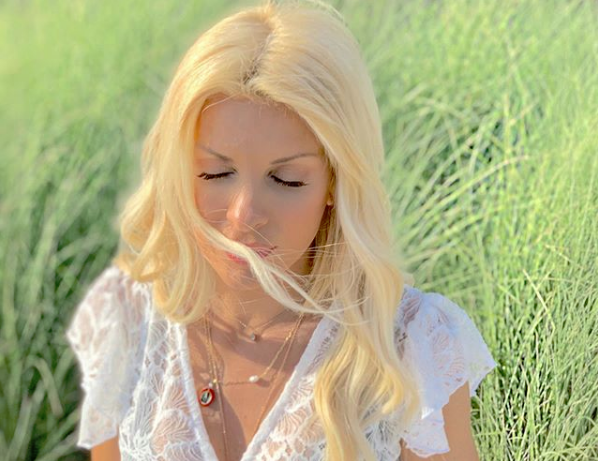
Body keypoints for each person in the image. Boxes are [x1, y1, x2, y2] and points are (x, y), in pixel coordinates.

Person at [65, 0, 497, 460]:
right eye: (215, 173)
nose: (244, 215)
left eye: (286, 180)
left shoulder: (412, 348)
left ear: (335, 182)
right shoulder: (127, 321)